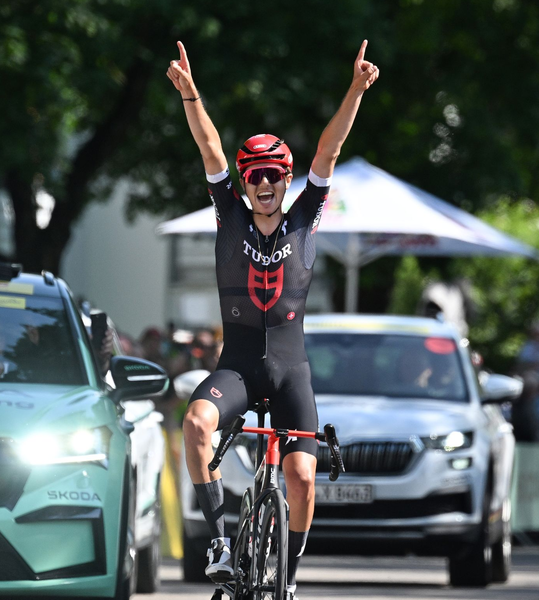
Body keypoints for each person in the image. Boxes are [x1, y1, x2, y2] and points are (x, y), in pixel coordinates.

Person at [167, 39, 378, 597]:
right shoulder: (229, 213)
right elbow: (209, 146)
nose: (265, 185)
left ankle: (286, 575)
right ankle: (218, 541)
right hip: (237, 365)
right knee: (193, 425)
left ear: (287, 182)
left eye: (275, 176)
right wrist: (191, 95)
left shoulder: (305, 217)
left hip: (290, 370)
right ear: (245, 182)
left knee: (303, 477)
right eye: (255, 176)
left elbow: (328, 154)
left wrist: (355, 89)